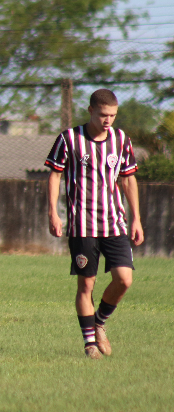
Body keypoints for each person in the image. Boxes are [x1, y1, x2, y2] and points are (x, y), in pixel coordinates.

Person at [45, 88, 144, 359]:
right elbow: (54, 175)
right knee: (85, 286)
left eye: (112, 115)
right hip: (82, 224)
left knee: (124, 280)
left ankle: (99, 321)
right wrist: (53, 212)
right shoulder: (69, 139)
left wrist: (136, 218)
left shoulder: (121, 140)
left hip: (114, 224)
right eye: (103, 114)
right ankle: (89, 343)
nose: (108, 120)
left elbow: (127, 179)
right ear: (91, 111)